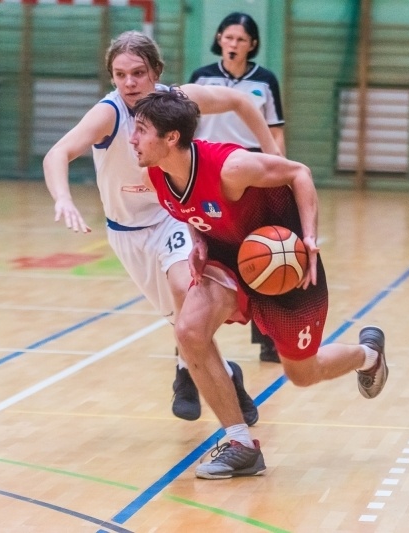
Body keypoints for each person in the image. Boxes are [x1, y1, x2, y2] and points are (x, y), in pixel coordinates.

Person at [130, 90, 388, 480]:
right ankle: (240, 444)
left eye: (141, 130)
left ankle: (368, 355)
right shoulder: (156, 173)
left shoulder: (230, 167)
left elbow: (298, 172)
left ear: (170, 139)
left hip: (281, 265)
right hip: (228, 261)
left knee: (302, 374)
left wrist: (311, 239)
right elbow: (189, 206)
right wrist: (198, 239)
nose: (132, 139)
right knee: (189, 331)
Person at [43, 31, 281, 426]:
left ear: (157, 72)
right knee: (178, 318)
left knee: (186, 289)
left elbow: (241, 100)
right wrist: (62, 198)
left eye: (138, 73)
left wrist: (271, 153)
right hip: (127, 231)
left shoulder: (178, 100)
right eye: (120, 74)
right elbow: (59, 153)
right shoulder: (109, 113)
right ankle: (221, 372)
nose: (129, 83)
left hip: (174, 212)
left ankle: (192, 374)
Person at [189, 12, 284, 363]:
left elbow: (275, 129)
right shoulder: (202, 77)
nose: (234, 44)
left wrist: (279, 170)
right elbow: (187, 127)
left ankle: (268, 337)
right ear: (219, 39)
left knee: (264, 253)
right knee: (208, 253)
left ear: (252, 45)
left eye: (241, 39)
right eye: (228, 38)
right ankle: (194, 335)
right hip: (208, 173)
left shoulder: (265, 81)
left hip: (252, 171)